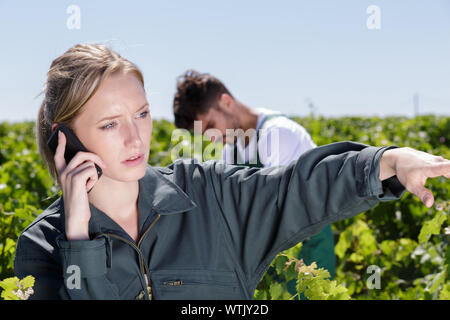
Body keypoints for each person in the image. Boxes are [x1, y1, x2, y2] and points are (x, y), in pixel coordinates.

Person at [14, 43, 450, 300]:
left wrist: (386, 161)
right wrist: (78, 238)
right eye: (110, 123)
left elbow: (297, 186)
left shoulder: (207, 194)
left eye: (141, 114)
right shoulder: (41, 246)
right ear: (64, 140)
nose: (135, 138)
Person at [172, 70, 336, 295]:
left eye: (211, 124)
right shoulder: (231, 153)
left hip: (306, 258)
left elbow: (279, 211)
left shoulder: (278, 135)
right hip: (268, 261)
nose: (211, 137)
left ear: (226, 102)